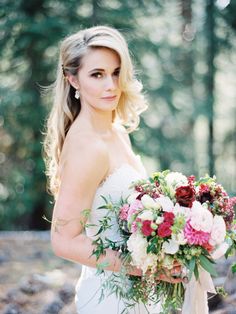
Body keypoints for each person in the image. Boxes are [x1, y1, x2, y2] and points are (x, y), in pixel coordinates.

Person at [43, 25, 182, 314]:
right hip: (111, 298)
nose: (111, 85)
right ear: (73, 80)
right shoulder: (88, 147)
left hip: (139, 293)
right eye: (97, 74)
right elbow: (63, 241)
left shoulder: (116, 130)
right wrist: (144, 267)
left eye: (116, 72)